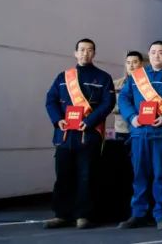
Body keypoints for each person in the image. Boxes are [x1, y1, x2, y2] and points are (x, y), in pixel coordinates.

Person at [117, 41, 162, 231]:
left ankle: (161, 215)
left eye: (161, 52)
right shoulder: (137, 76)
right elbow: (124, 98)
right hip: (139, 133)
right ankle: (138, 214)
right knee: (139, 175)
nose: (157, 56)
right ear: (148, 55)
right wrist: (132, 117)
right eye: (153, 52)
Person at [42, 38, 115, 230]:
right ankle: (61, 214)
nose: (85, 53)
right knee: (63, 176)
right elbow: (51, 100)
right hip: (65, 135)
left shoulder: (103, 78)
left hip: (88, 134)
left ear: (94, 54)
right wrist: (58, 119)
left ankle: (83, 215)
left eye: (89, 50)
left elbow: (108, 104)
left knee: (86, 176)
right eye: (82, 50)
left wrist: (89, 121)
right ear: (75, 53)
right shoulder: (63, 77)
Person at [110, 51, 143, 142]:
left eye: (135, 62)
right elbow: (110, 105)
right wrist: (127, 110)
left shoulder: (147, 85)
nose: (131, 66)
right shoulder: (116, 84)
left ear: (141, 64)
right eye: (128, 63)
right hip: (122, 128)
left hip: (141, 127)